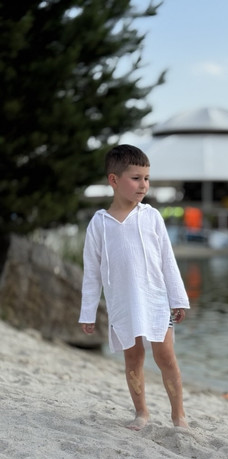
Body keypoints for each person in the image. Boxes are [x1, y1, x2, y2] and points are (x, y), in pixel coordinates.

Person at [79, 144, 189, 430]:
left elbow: (167, 260)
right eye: (136, 178)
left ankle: (179, 416)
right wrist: (88, 313)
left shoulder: (151, 217)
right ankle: (142, 412)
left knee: (165, 356)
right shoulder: (99, 224)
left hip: (156, 300)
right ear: (114, 180)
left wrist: (178, 298)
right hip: (122, 303)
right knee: (133, 358)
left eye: (147, 178)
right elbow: (92, 273)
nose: (144, 185)